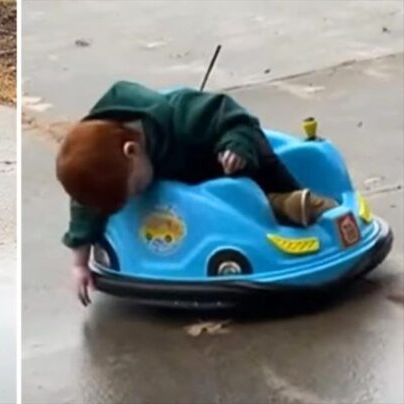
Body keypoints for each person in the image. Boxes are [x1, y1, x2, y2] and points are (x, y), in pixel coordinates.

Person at [55, 80, 337, 305]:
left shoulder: (184, 115)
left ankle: (298, 208)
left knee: (244, 183)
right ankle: (281, 207)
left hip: (233, 166)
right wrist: (80, 265)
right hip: (196, 202)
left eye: (134, 189)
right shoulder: (103, 168)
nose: (134, 198)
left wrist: (235, 146)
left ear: (132, 152)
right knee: (219, 199)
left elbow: (236, 118)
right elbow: (85, 209)